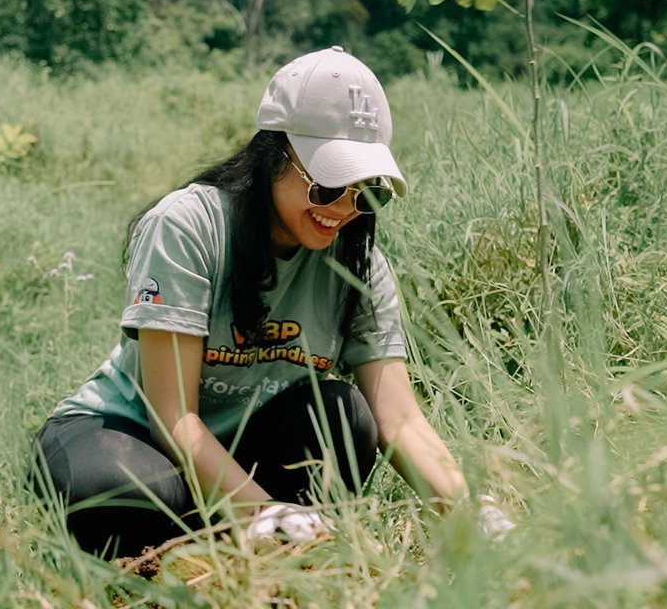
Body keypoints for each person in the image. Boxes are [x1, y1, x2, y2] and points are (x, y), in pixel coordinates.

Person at [31, 46, 493, 559]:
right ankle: (232, 535)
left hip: (241, 445)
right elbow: (173, 417)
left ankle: (253, 541)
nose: (342, 211)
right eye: (327, 188)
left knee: (345, 417)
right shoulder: (188, 226)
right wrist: (271, 512)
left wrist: (472, 511)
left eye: (366, 194)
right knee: (123, 495)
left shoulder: (359, 264)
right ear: (275, 154)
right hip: (138, 434)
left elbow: (401, 421)